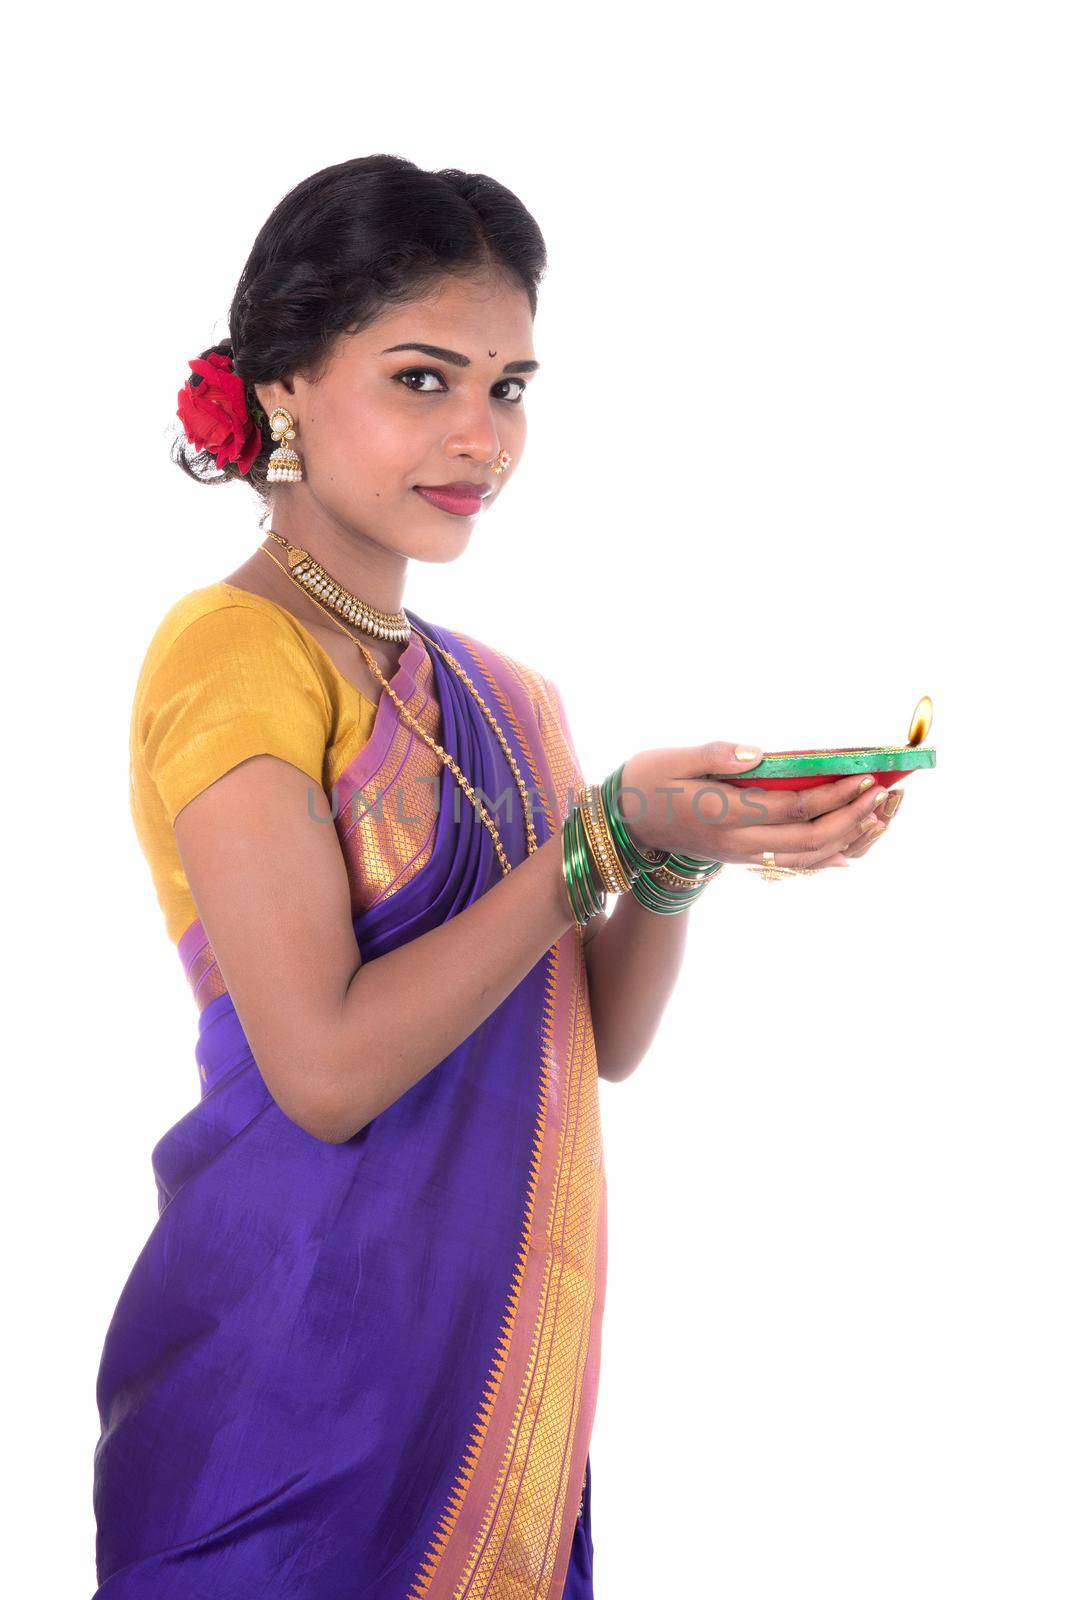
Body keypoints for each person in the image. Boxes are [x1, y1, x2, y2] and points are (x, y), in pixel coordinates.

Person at [92, 154, 899, 1599]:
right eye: (422, 379)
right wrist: (594, 839)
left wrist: (668, 855)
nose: (481, 436)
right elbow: (327, 1070)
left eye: (510, 386)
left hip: (488, 1373)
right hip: (286, 1384)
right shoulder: (233, 655)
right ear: (281, 385)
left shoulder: (511, 697)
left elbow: (603, 1037)